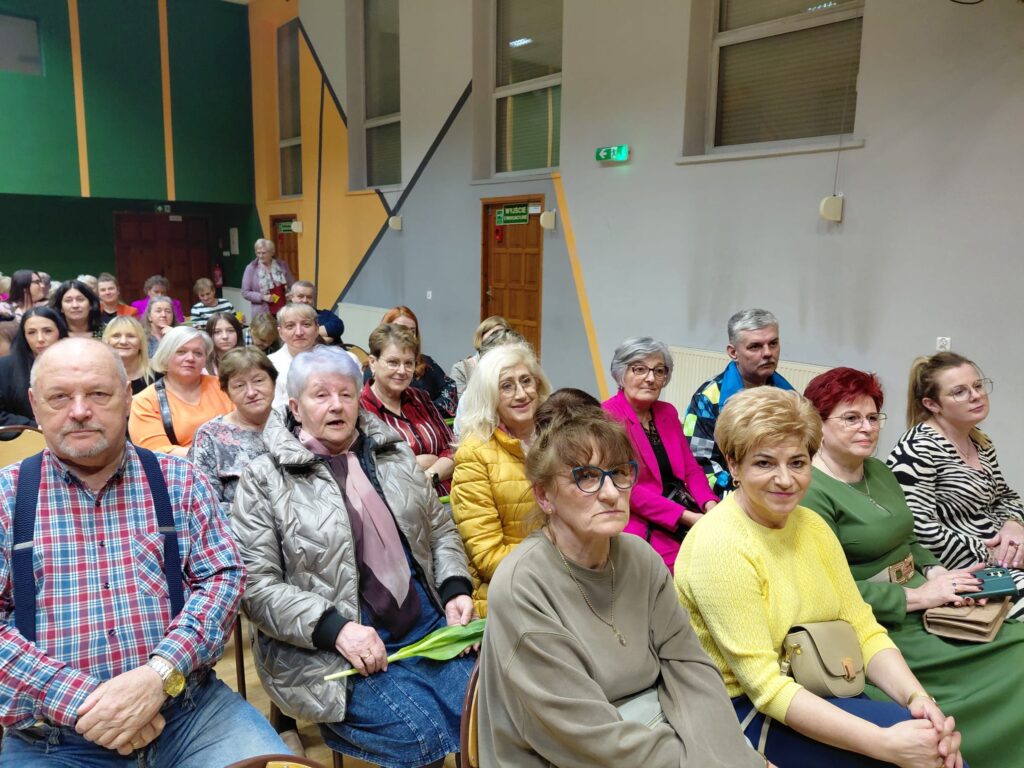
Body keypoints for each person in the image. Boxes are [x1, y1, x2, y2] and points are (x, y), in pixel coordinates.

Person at [0, 337, 288, 766]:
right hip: (54, 741)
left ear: (127, 398)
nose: (79, 411)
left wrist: (159, 675)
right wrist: (89, 703)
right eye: (59, 397)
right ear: (34, 405)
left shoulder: (180, 480)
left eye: (98, 394)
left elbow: (222, 577)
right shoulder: (6, 498)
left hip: (189, 714)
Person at [675, 387, 964, 768]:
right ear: (733, 464)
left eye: (797, 462)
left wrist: (919, 700)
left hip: (820, 683)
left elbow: (864, 629)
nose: (785, 479)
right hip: (745, 713)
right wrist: (884, 744)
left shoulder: (811, 525)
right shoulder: (719, 545)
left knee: (933, 746)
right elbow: (765, 688)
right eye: (764, 463)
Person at [479, 403, 768, 767]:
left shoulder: (639, 556)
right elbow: (583, 736)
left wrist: (725, 755)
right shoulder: (521, 585)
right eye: (586, 477)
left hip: (654, 729)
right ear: (544, 496)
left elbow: (690, 667)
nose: (611, 492)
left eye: (618, 473)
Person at [231, 346, 475, 768]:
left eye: (346, 394)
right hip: (330, 641)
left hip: (424, 620)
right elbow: (255, 585)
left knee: (489, 703)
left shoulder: (393, 454)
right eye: (320, 395)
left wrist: (455, 588)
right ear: (295, 407)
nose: (336, 405)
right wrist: (337, 629)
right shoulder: (264, 478)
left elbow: (439, 529)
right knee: (419, 735)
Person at [803, 367, 1024, 768]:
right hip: (882, 622)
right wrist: (918, 597)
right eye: (851, 418)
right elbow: (827, 590)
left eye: (873, 417)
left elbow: (910, 539)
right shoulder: (810, 492)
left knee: (1016, 639)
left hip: (926, 597)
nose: (867, 427)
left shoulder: (878, 471)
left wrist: (938, 573)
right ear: (817, 423)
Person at [888, 351, 1024, 617]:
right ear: (932, 404)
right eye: (960, 392)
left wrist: (1014, 525)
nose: (976, 396)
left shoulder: (979, 441)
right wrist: (997, 556)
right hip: (966, 568)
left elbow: (1005, 497)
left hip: (1006, 557)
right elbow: (920, 531)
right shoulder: (916, 450)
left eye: (977, 386)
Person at [451, 342, 551, 617]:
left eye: (526, 381)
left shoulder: (557, 437)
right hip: (508, 590)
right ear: (489, 396)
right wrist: (561, 568)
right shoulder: (475, 453)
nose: (521, 394)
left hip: (563, 575)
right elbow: (487, 556)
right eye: (506, 386)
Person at [603, 337, 718, 570]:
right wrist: (687, 517)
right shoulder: (607, 416)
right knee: (684, 568)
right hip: (639, 518)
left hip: (683, 506)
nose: (650, 378)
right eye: (639, 369)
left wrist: (710, 507)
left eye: (659, 371)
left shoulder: (667, 412)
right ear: (621, 374)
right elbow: (625, 488)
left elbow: (691, 469)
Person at [683, 308, 794, 497]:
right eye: (755, 346)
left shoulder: (791, 397)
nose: (768, 353)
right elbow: (700, 463)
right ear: (733, 352)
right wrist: (744, 496)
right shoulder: (708, 398)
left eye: (773, 343)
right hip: (731, 497)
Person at [360, 324, 455, 493]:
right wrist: (424, 461)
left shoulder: (421, 398)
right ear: (373, 363)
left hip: (448, 500)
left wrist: (429, 476)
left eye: (409, 363)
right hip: (398, 507)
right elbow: (373, 472)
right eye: (393, 362)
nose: (402, 371)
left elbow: (452, 450)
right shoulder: (360, 410)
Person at [189, 347, 276, 518]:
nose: (251, 392)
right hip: (240, 529)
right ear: (227, 392)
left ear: (274, 382)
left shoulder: (294, 423)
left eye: (259, 381)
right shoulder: (210, 435)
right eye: (239, 385)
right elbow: (204, 505)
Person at [129, 327, 234, 457]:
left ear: (205, 360)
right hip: (180, 468)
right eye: (181, 351)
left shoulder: (224, 386)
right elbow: (157, 452)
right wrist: (214, 455)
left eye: (198, 353)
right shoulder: (145, 401)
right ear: (165, 356)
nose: (190, 358)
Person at [376, 306, 458, 418]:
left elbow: (450, 388)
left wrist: (428, 411)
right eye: (401, 330)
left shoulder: (426, 362)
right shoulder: (374, 368)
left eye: (412, 331)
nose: (408, 336)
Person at [0, 308, 67, 434]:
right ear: (24, 336)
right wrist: (33, 426)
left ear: (59, 332)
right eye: (31, 333)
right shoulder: (4, 367)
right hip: (24, 438)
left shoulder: (77, 364)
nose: (40, 338)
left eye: (47, 331)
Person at [269, 302, 320, 409]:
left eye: (306, 324)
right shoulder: (269, 365)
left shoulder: (334, 362)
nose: (299, 332)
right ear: (280, 333)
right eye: (290, 326)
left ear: (316, 329)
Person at [449, 315, 511, 396]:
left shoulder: (512, 365)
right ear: (481, 337)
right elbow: (458, 401)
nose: (499, 338)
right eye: (495, 334)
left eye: (503, 335)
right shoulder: (461, 369)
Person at [241, 238, 295, 318]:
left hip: (284, 310)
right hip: (263, 313)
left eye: (264, 253)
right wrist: (262, 297)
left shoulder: (282, 265)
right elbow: (245, 292)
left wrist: (290, 293)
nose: (260, 256)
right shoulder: (251, 268)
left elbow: (292, 285)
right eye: (258, 253)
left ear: (272, 252)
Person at [102, 316, 154, 395]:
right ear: (107, 342)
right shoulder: (96, 375)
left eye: (130, 336)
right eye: (116, 336)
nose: (123, 342)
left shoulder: (158, 375)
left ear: (141, 343)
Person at [204, 311, 245, 378]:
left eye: (230, 331)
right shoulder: (202, 366)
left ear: (238, 333)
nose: (225, 336)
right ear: (209, 335)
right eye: (217, 332)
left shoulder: (250, 361)